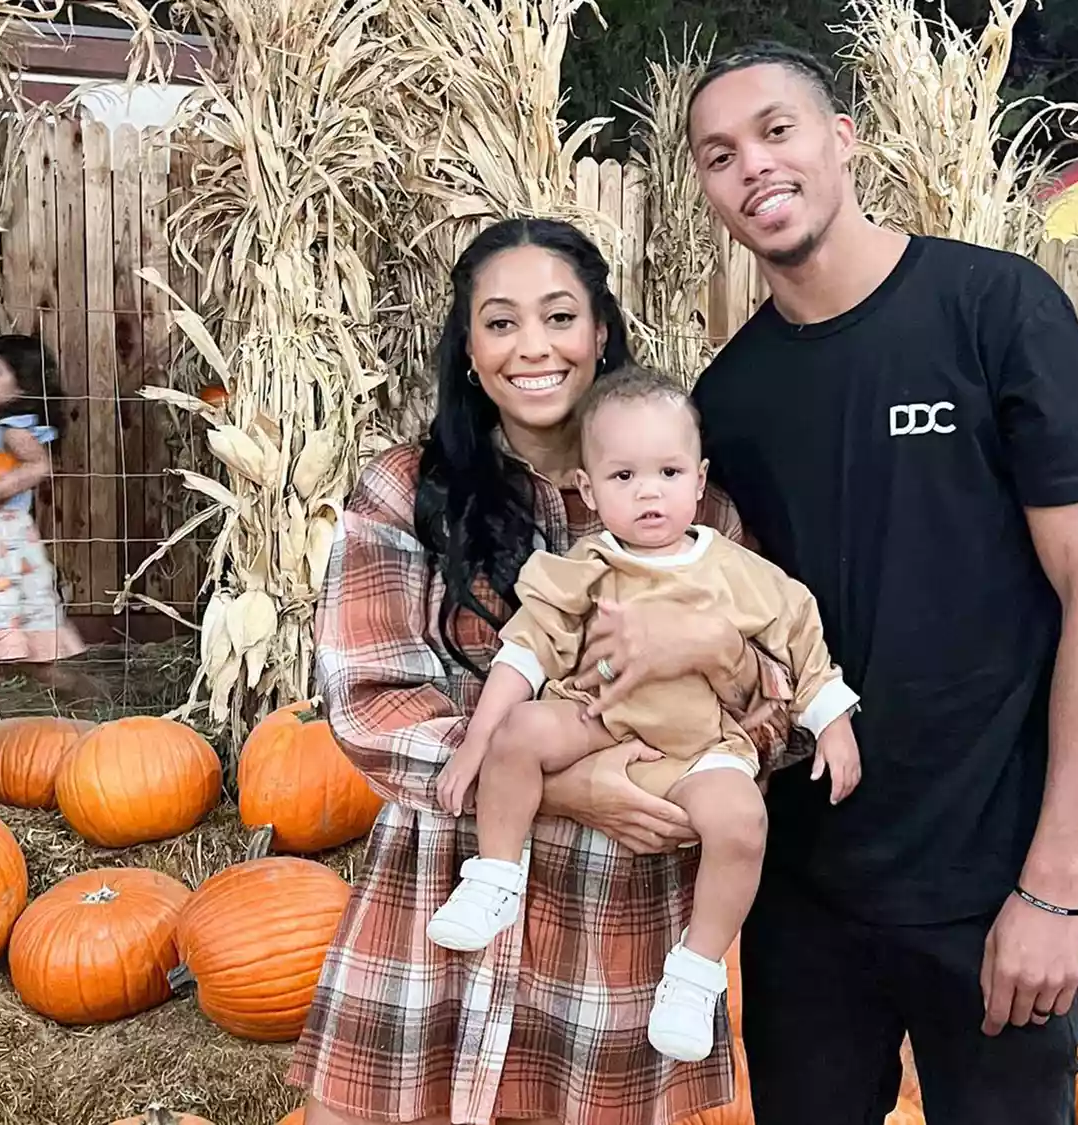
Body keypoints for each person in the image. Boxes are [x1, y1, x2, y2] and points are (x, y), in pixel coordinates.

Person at [666, 40, 1078, 1125]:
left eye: (776, 132)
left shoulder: (994, 311)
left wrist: (1051, 887)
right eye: (719, 154)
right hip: (807, 899)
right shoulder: (728, 400)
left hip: (990, 885)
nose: (753, 167)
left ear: (844, 140)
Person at [290, 218, 803, 1125]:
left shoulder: (698, 513)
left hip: (613, 922)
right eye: (500, 323)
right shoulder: (406, 491)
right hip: (444, 893)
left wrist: (722, 667)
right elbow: (371, 700)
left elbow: (779, 704)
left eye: (560, 317)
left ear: (600, 332)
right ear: (469, 348)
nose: (534, 347)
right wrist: (569, 786)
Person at [424, 363, 862, 1063]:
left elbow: (800, 636)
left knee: (743, 819)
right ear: (589, 490)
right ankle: (495, 877)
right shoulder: (585, 566)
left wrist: (832, 721)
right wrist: (477, 743)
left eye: (667, 471)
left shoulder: (736, 571)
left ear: (699, 477)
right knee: (520, 729)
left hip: (696, 744)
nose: (649, 491)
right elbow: (527, 650)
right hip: (596, 721)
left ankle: (696, 970)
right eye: (624, 478)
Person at [0, 334, 89, 695]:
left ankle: (92, 703)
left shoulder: (14, 431)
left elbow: (38, 467)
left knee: (27, 660)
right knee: (22, 658)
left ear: (24, 382)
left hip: (1, 548)